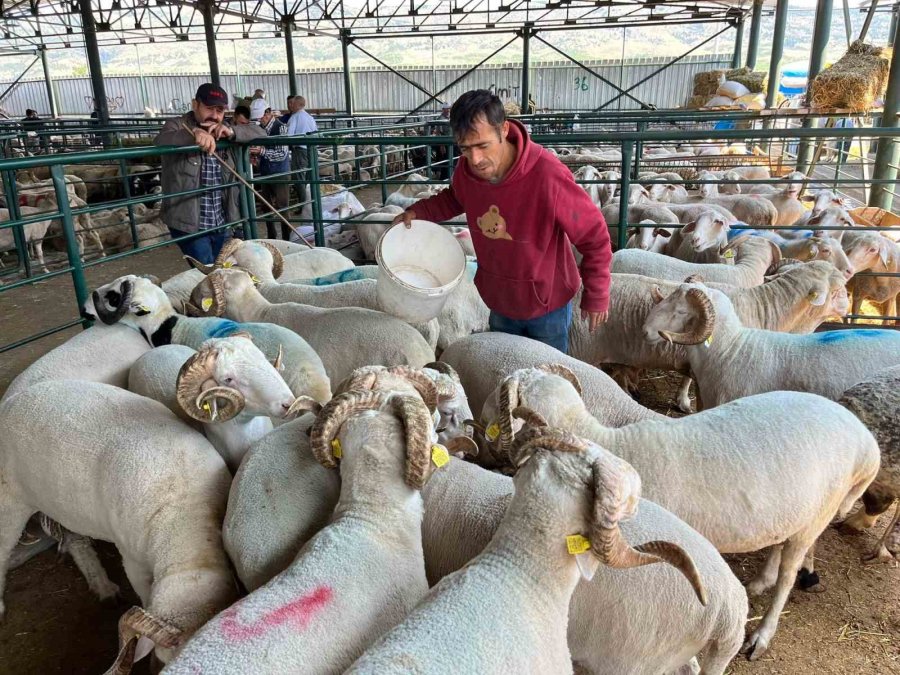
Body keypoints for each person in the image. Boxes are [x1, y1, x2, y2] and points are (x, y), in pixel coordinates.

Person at [393, 89, 611, 353]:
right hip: (499, 299)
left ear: (504, 129)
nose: (475, 159)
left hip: (546, 304)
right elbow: (455, 198)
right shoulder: (467, 171)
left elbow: (594, 235)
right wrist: (419, 212)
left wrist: (597, 294)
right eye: (465, 148)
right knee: (503, 370)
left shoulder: (547, 175)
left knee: (545, 376)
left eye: (482, 145)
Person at [154, 83, 266, 264]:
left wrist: (232, 131)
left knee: (223, 269)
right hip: (190, 223)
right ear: (195, 104)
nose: (214, 115)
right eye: (209, 108)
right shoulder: (175, 125)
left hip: (222, 219)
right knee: (208, 271)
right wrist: (193, 134)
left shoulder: (224, 128)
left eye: (220, 110)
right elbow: (161, 140)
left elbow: (260, 132)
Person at [252, 107, 292, 240]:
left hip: (280, 173)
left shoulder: (280, 128)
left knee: (282, 207)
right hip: (266, 172)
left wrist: (261, 152)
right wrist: (256, 157)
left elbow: (282, 153)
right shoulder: (260, 128)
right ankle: (271, 236)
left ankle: (286, 238)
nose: (259, 119)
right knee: (266, 206)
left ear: (268, 113)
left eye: (261, 116)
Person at [286, 95, 318, 204]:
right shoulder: (310, 117)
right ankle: (313, 202)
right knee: (310, 176)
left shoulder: (295, 117)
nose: (291, 105)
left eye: (292, 103)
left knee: (299, 177)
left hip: (300, 150)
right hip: (311, 149)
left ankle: (304, 204)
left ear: (297, 104)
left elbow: (289, 135)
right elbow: (316, 133)